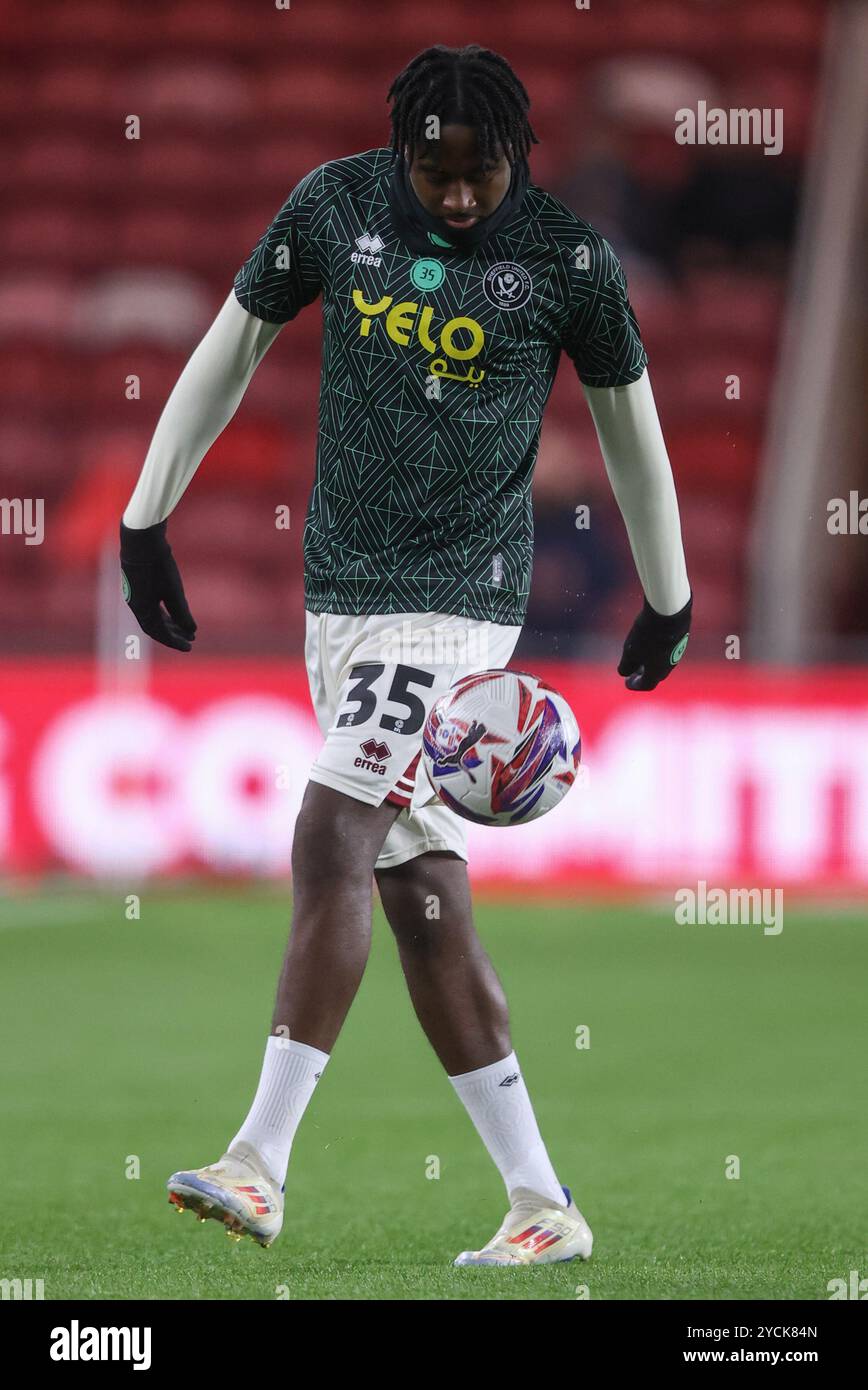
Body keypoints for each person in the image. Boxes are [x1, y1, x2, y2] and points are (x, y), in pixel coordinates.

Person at [120, 44, 692, 1267]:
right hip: (344, 598)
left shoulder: (566, 259)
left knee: (332, 832)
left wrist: (668, 593)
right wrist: (145, 514)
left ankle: (258, 1163)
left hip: (458, 602)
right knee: (423, 902)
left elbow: (629, 432)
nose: (456, 196)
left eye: (479, 173)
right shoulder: (331, 207)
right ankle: (543, 1203)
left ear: (515, 157)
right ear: (401, 154)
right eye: (433, 172)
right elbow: (230, 348)